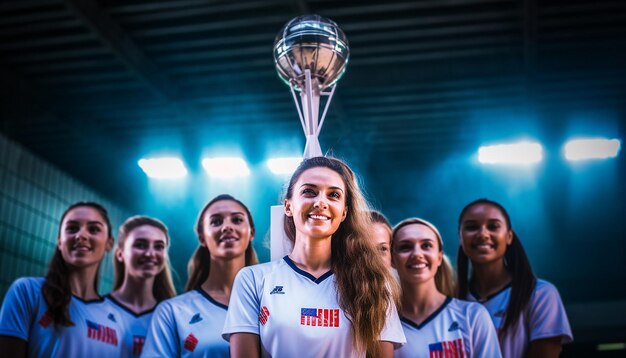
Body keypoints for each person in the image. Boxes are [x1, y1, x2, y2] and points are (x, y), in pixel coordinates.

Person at [223, 156, 405, 358]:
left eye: (333, 195)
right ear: (288, 206)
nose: (321, 202)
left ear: (344, 212)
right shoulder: (252, 280)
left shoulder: (374, 284)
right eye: (309, 192)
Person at [141, 194, 258, 357]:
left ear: (251, 232)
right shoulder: (172, 312)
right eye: (216, 221)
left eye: (237, 220)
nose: (227, 227)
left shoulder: (271, 303)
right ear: (202, 237)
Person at [0, 202, 122, 357]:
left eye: (93, 229)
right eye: (72, 228)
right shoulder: (28, 291)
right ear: (59, 241)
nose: (81, 235)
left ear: (109, 244)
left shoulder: (117, 319)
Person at [456, 198, 573, 358]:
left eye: (493, 226)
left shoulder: (540, 294)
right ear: (460, 238)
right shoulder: (451, 299)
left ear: (509, 236)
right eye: (472, 227)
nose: (483, 234)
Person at [391, 218, 501, 357]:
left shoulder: (473, 316)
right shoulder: (384, 325)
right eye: (405, 247)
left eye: (426, 245)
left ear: (439, 257)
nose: (417, 254)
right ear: (392, 259)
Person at [107, 216, 176, 357]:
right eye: (141, 245)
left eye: (159, 246)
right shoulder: (93, 311)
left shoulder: (174, 320)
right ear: (120, 254)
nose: (150, 253)